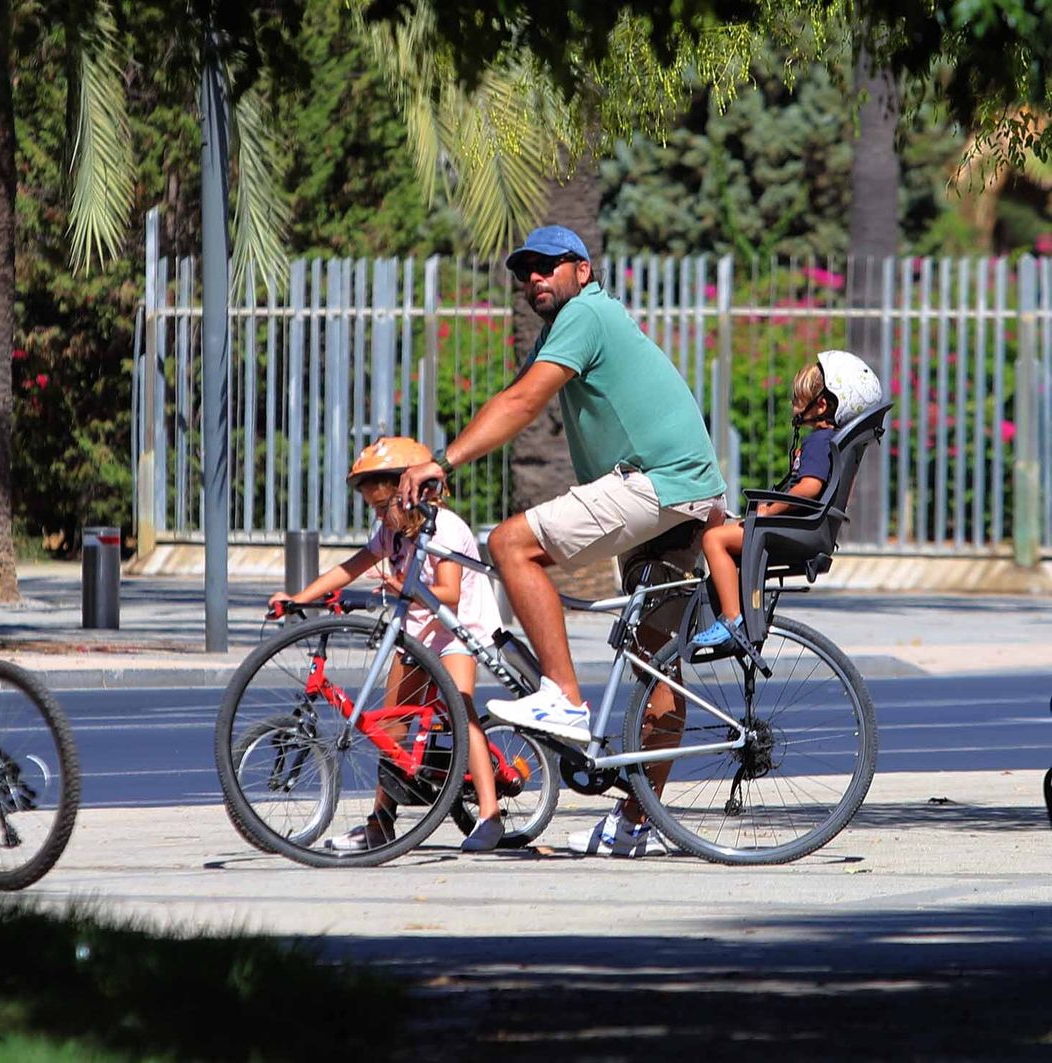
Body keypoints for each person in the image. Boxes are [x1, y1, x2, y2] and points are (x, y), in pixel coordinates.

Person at [398, 224, 728, 858]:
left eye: (548, 266)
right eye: (525, 271)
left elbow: (523, 402)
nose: (534, 279)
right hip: (687, 491)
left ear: (582, 268)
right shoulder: (576, 324)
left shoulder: (587, 313)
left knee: (510, 545)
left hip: (656, 483)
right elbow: (510, 398)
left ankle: (564, 699)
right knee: (657, 668)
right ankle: (635, 825)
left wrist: (444, 460)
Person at [271, 437, 510, 853]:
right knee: (391, 730)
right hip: (416, 633)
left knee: (459, 709)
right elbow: (351, 567)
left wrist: (404, 586)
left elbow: (449, 594)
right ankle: (380, 822)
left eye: (385, 507)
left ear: (415, 493)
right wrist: (299, 598)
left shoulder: (446, 528)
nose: (381, 517)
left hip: (456, 632)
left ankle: (489, 815)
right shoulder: (392, 533)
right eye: (375, 510)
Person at [691, 350, 882, 648]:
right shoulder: (831, 443)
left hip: (791, 528)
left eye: (798, 399)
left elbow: (808, 488)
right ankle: (735, 609)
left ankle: (731, 619)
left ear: (821, 405)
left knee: (713, 539)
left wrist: (769, 510)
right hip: (801, 527)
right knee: (727, 535)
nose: (793, 406)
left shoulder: (819, 442)